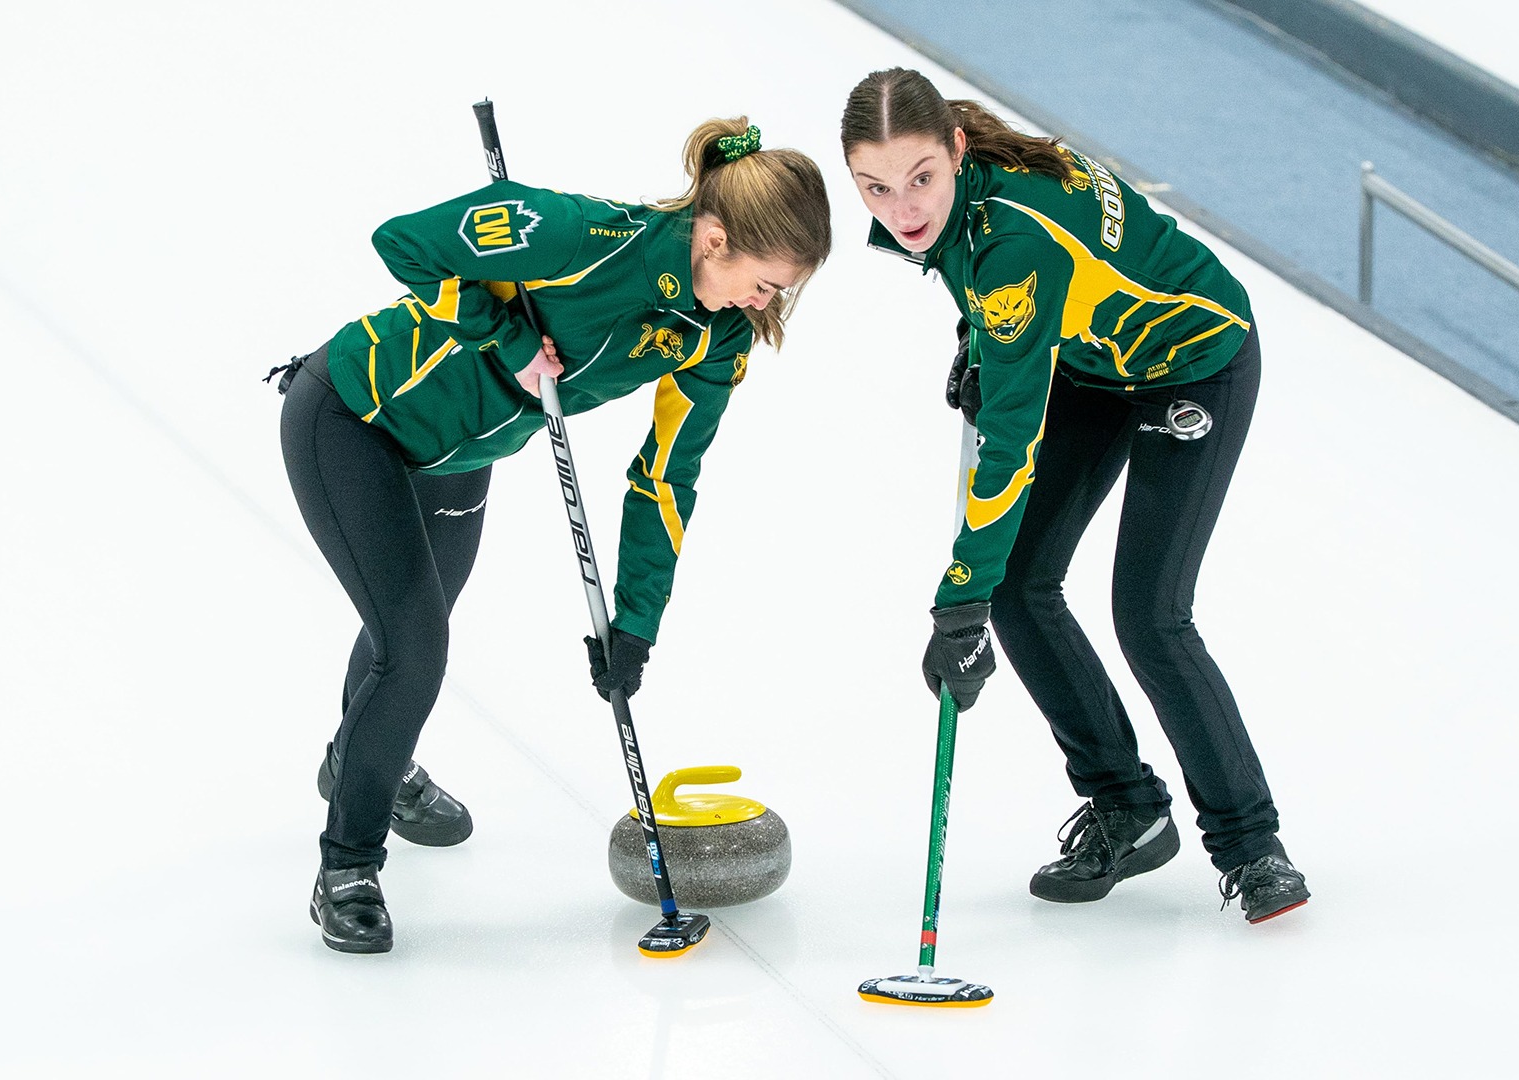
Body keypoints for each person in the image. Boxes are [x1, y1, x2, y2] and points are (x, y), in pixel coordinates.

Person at [274, 118, 831, 953]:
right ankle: (346, 867)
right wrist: (506, 339)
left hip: (460, 453)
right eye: (763, 284)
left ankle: (360, 765)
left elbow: (666, 477)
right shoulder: (578, 233)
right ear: (716, 240)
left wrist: (635, 622)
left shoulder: (714, 339)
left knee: (410, 625)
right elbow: (404, 243)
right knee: (415, 647)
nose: (764, 305)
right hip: (355, 415)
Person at [840, 69, 1308, 924]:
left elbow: (1011, 444)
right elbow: (998, 281)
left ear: (956, 149)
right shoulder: (965, 198)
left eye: (919, 179)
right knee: (1024, 585)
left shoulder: (1014, 235)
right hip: (1090, 361)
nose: (902, 209)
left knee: (1151, 617)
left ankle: (1252, 845)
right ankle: (1127, 807)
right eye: (875, 187)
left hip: (1193, 359)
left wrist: (959, 600)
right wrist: (983, 337)